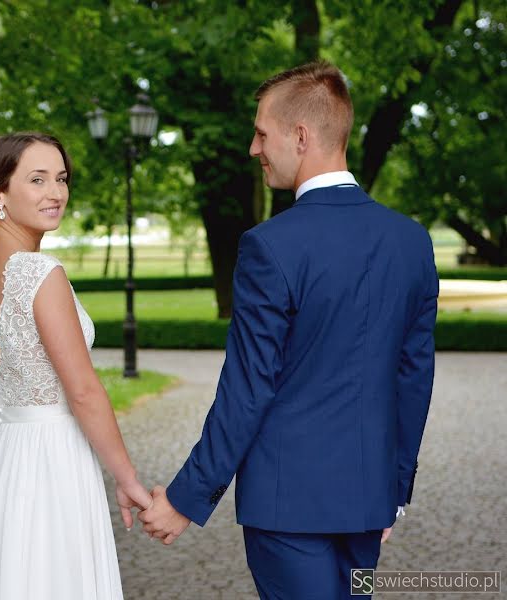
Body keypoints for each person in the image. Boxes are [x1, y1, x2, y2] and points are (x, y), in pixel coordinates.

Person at [139, 61, 438, 598]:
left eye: (261, 133)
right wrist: (394, 489)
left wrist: (185, 498)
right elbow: (413, 379)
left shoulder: (269, 246)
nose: (254, 149)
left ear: (300, 137)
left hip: (288, 503)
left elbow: (248, 390)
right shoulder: (412, 241)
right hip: (368, 499)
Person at [0, 132, 152, 599]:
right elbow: (83, 392)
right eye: (36, 180)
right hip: (49, 458)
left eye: (60, 179)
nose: (55, 193)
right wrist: (126, 478)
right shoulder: (40, 274)